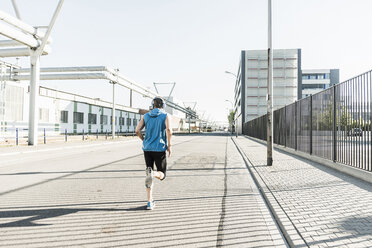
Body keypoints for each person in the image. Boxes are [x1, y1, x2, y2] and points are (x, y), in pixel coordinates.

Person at [135, 97, 172, 210]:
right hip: (159, 148)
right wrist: (169, 145)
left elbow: (137, 130)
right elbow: (169, 130)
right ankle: (153, 174)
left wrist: (144, 140)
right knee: (162, 175)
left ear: (153, 105)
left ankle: (149, 202)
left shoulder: (146, 116)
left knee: (148, 175)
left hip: (147, 149)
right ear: (163, 106)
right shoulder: (165, 115)